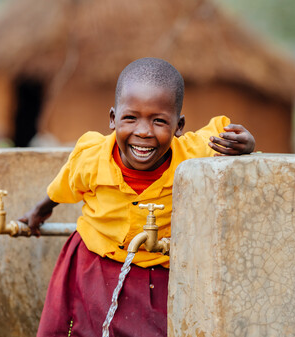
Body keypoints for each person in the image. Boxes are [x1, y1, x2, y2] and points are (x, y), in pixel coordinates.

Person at [20, 57, 255, 337]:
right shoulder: (93, 158)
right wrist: (39, 211)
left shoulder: (194, 155)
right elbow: (63, 184)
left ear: (179, 126)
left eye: (158, 121)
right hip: (92, 263)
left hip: (157, 271)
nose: (143, 132)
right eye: (130, 118)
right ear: (112, 119)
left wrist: (246, 145)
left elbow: (226, 131)